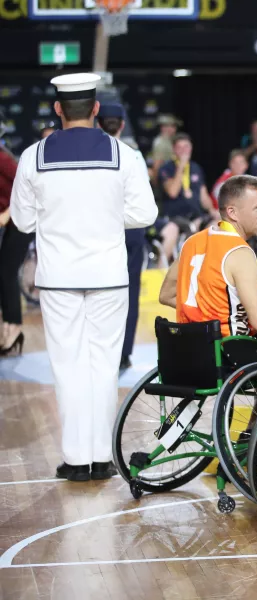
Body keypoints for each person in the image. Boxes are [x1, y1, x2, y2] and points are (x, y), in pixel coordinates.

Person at [10, 73, 158, 481]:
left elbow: (21, 221)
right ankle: (102, 457)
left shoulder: (32, 157)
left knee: (69, 365)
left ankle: (76, 460)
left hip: (58, 278)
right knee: (104, 365)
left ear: (58, 110)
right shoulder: (125, 155)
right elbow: (146, 215)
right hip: (109, 275)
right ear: (95, 110)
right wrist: (109, 218)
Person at [158, 175, 257, 365]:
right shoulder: (239, 252)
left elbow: (166, 296)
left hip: (189, 354)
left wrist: (207, 316)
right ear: (232, 212)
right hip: (229, 356)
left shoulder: (192, 242)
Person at [95, 102, 148, 371]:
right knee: (131, 292)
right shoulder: (133, 155)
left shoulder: (92, 155)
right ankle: (124, 353)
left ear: (98, 123)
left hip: (102, 230)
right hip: (131, 231)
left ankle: (102, 350)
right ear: (122, 125)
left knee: (99, 291)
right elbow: (145, 201)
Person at [157, 133, 219, 262]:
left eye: (186, 147)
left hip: (196, 215)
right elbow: (172, 192)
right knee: (188, 228)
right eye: (179, 147)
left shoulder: (196, 168)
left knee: (217, 224)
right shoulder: (166, 168)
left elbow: (203, 196)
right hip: (175, 217)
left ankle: (210, 264)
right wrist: (181, 167)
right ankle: (162, 267)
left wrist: (213, 210)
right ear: (174, 150)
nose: (184, 151)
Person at [0, 143, 31, 356]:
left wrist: (8, 213)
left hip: (22, 220)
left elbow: (27, 187)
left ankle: (14, 327)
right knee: (3, 273)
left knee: (7, 273)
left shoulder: (2, 159)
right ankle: (8, 327)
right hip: (11, 223)